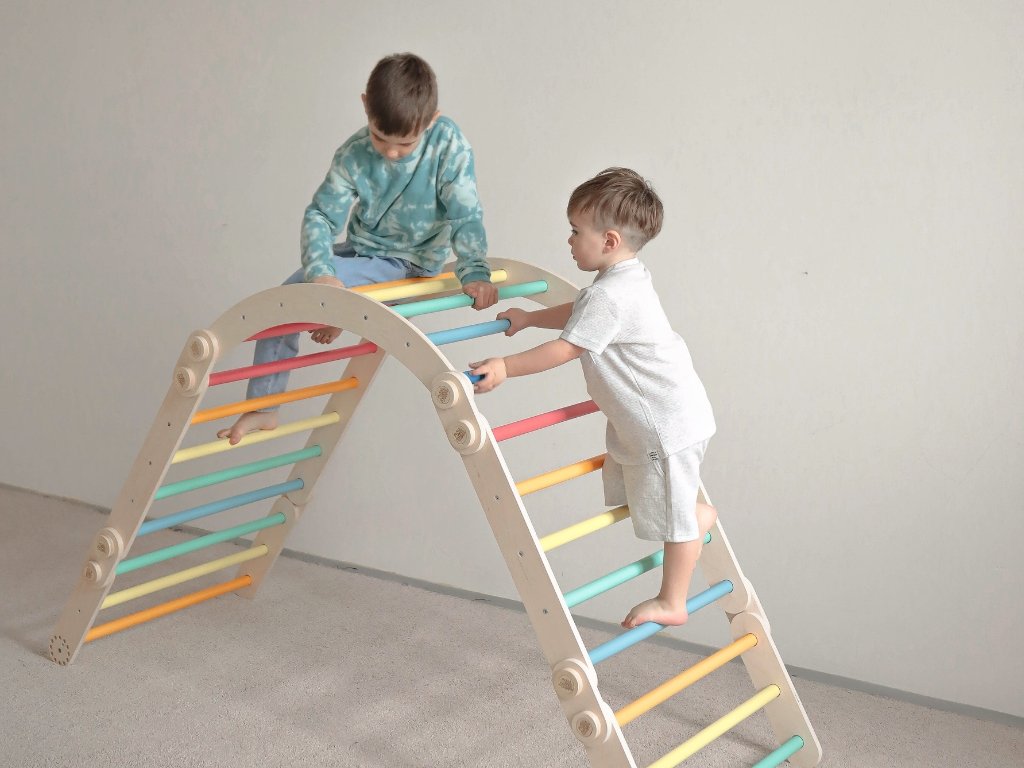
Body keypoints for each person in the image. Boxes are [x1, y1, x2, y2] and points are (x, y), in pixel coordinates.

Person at [470, 168, 717, 629]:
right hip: (671, 416)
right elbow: (580, 310)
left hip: (663, 426)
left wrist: (506, 366)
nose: (568, 240)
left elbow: (567, 347)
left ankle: (673, 600)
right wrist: (530, 318)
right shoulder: (624, 280)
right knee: (658, 499)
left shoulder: (610, 297)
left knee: (674, 522)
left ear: (608, 240)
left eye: (574, 231)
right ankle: (694, 518)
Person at [219, 52, 498, 444]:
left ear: (431, 120)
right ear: (366, 105)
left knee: (294, 298)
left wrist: (475, 271)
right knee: (284, 301)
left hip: (408, 260)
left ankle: (333, 315)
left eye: (405, 143)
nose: (391, 152)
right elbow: (321, 215)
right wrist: (322, 274)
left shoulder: (448, 144)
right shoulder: (354, 154)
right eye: (380, 137)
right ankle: (270, 397)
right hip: (362, 250)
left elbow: (465, 213)